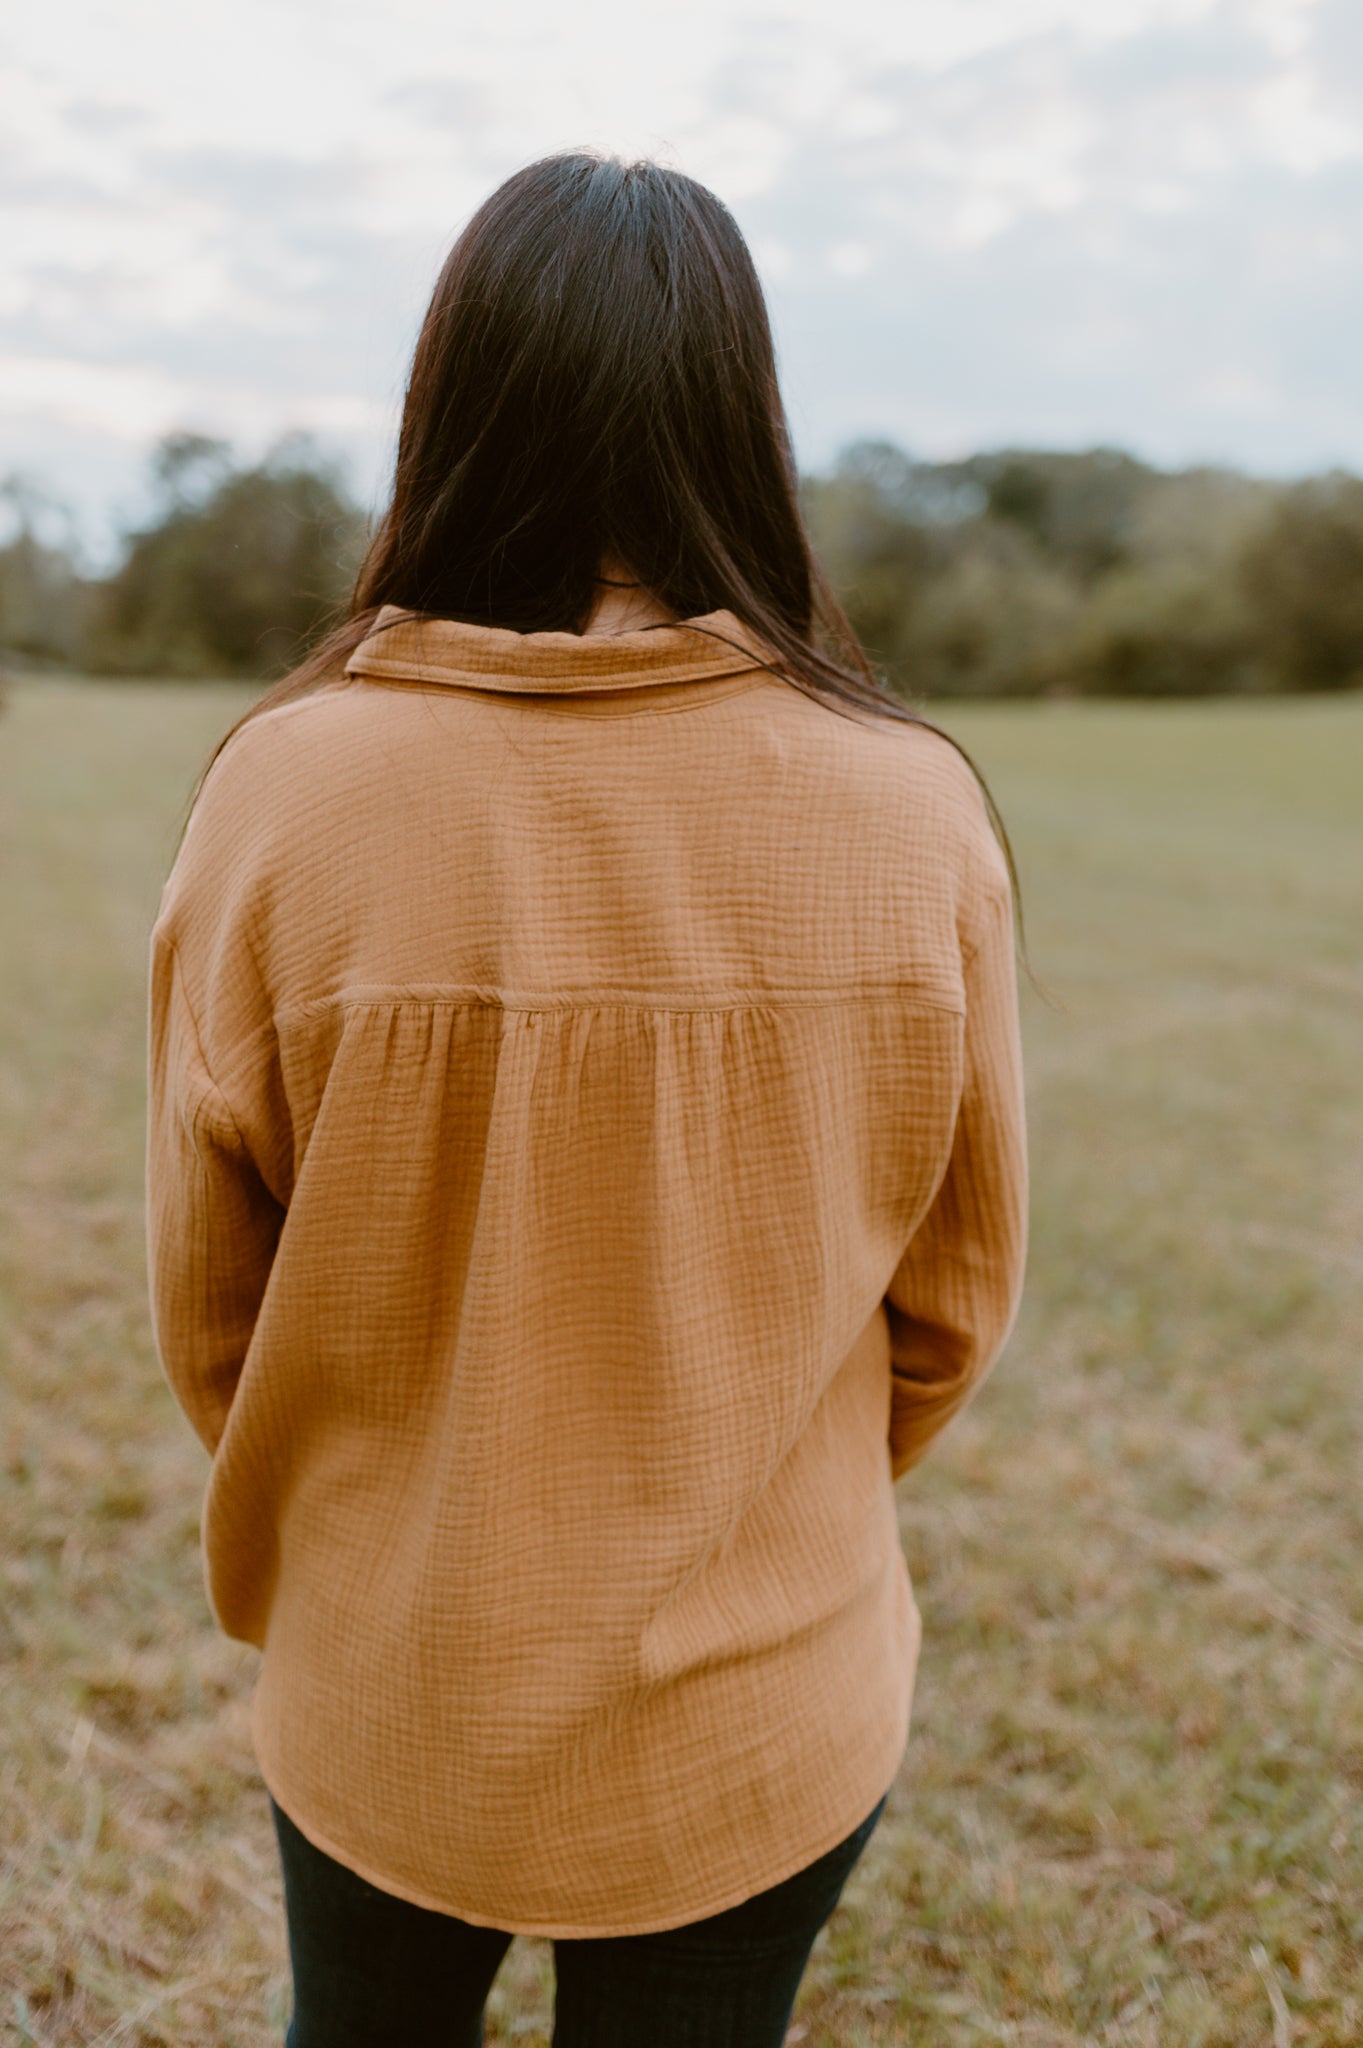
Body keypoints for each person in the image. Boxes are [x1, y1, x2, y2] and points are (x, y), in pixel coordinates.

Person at [146, 149, 1028, 2048]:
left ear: (449, 405)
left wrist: (390, 1519)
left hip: (392, 1684)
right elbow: (954, 1308)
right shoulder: (915, 808)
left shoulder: (283, 795)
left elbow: (214, 1310)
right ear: (746, 421)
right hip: (766, 1709)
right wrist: (728, 1508)